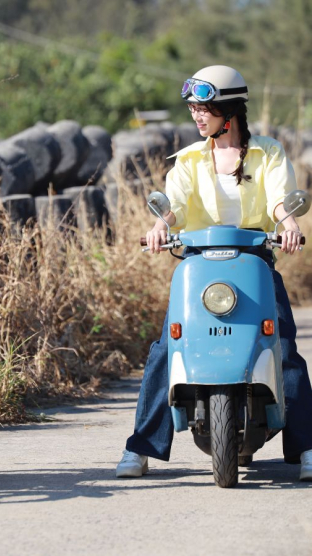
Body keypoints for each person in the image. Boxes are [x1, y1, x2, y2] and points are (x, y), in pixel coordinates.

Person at [116, 65, 312, 482]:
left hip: (255, 259)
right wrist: (160, 226)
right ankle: (142, 448)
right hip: (199, 263)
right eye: (193, 109)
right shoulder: (188, 159)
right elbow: (175, 204)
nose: (197, 116)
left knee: (285, 350)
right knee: (165, 350)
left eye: (205, 108)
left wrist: (289, 224)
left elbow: (280, 198)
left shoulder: (267, 152)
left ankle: (306, 447)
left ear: (229, 109)